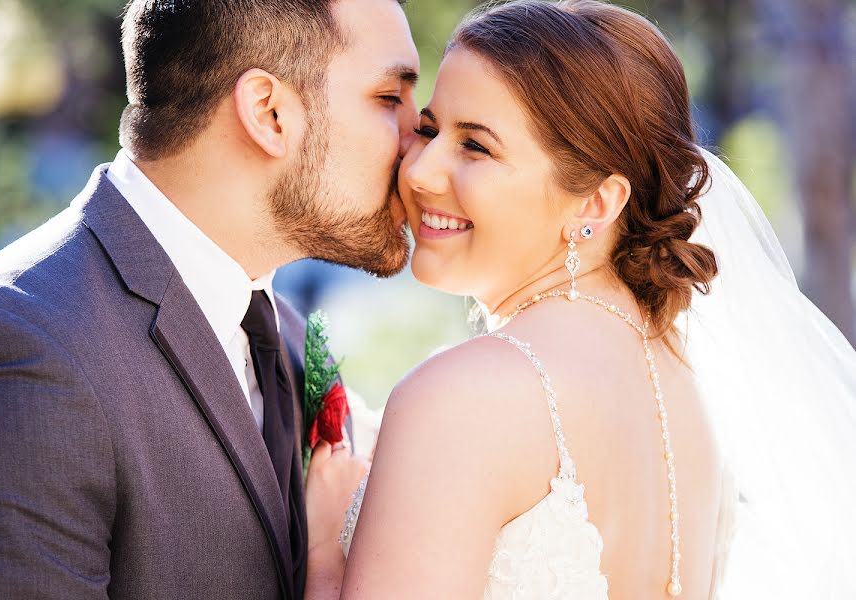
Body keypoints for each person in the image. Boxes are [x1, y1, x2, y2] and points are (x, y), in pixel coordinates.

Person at [306, 1, 856, 598]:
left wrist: (323, 553)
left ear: (596, 202)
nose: (419, 172)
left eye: (477, 147)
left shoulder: (462, 397)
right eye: (432, 131)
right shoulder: (683, 392)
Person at [0, 0, 416, 598]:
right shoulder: (23, 346)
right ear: (268, 112)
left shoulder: (287, 334)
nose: (422, 139)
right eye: (389, 98)